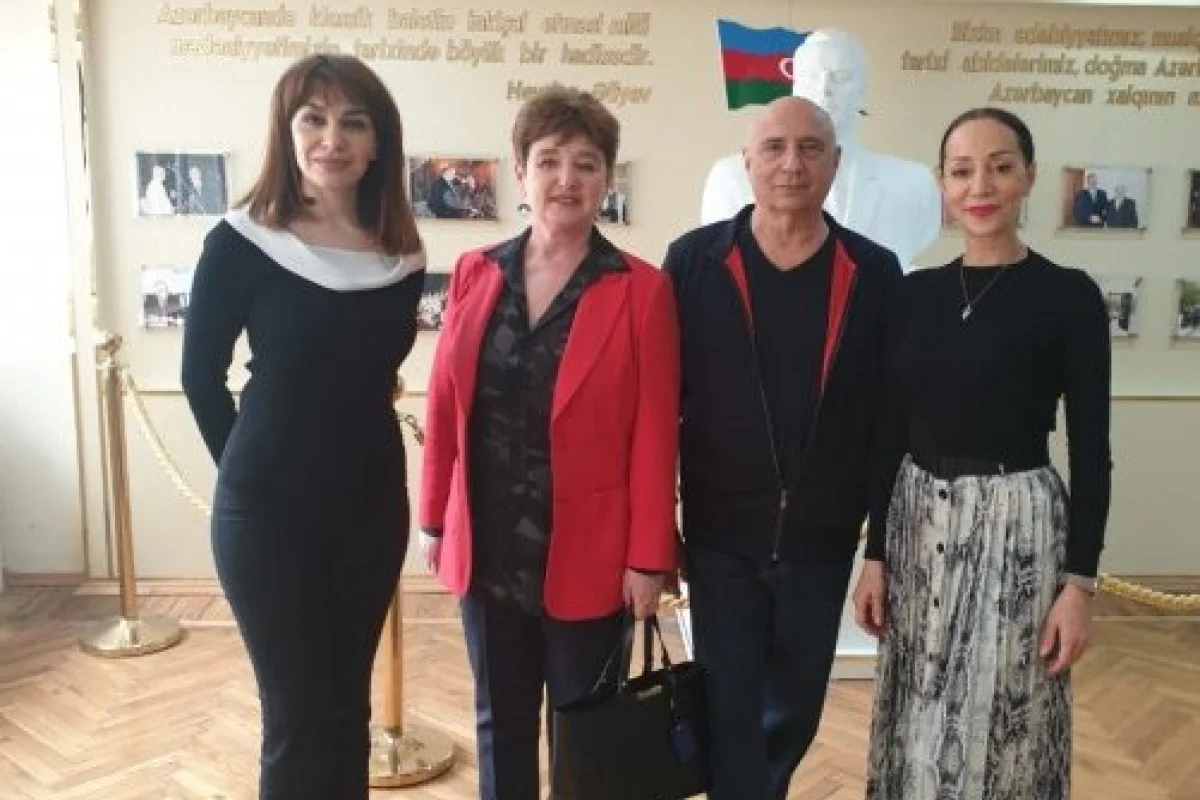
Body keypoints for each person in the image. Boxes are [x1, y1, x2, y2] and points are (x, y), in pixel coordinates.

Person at [418, 85, 680, 800]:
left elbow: (655, 433)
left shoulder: (641, 290)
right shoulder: (476, 272)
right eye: (549, 161)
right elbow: (444, 403)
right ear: (521, 171)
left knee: (582, 733)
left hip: (591, 553)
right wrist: (434, 516)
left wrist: (648, 557)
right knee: (498, 723)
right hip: (489, 545)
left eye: (586, 164)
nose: (567, 179)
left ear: (607, 179)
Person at [180, 54, 426, 800]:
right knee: (297, 721)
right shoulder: (241, 241)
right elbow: (200, 378)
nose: (333, 139)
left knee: (348, 712)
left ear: (379, 143)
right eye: (313, 119)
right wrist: (249, 479)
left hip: (370, 509)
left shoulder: (401, 254)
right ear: (287, 133)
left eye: (354, 123)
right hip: (268, 516)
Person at [854, 107, 1112, 799]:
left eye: (1000, 167)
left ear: (1029, 176)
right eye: (962, 171)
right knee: (918, 705)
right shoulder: (913, 295)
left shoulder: (1068, 297)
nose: (981, 187)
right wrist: (875, 554)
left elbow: (1092, 452)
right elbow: (889, 430)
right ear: (942, 182)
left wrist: (1080, 586)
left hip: (1018, 529)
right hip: (917, 521)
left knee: (1007, 717)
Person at [663, 96, 902, 800]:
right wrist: (655, 529)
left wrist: (881, 547)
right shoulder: (694, 261)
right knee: (729, 709)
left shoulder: (873, 271)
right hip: (720, 538)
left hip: (821, 541)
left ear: (835, 161)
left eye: (809, 148)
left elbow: (890, 420)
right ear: (747, 162)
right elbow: (658, 406)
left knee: (795, 712)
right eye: (773, 148)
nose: (791, 164)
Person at [701, 29, 940, 271]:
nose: (825, 89)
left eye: (842, 77)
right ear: (795, 85)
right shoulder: (730, 176)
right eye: (812, 76)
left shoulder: (914, 182)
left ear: (863, 90)